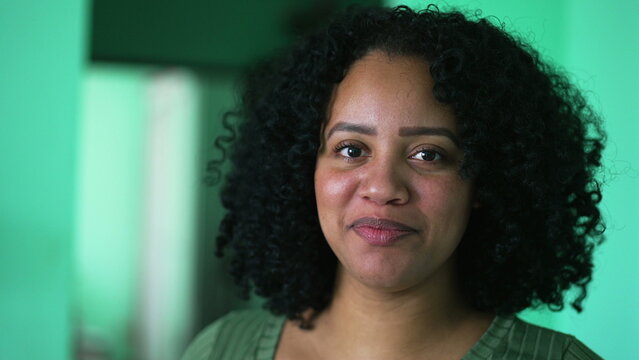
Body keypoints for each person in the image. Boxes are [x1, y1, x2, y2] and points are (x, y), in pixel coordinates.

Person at [183, 5, 605, 360]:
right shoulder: (221, 347)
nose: (383, 188)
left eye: (429, 154)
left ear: (485, 181)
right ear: (302, 171)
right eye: (351, 149)